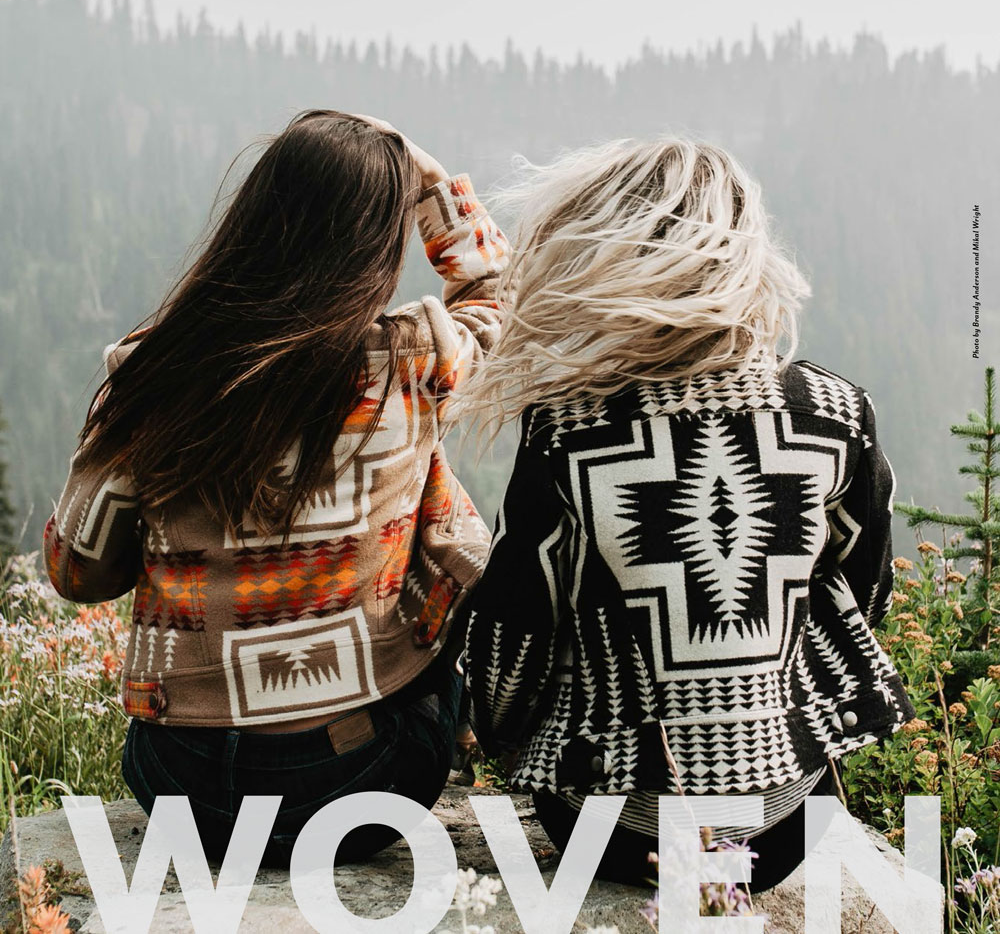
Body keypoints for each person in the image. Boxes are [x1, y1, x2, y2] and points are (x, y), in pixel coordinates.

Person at [43, 109, 508, 865]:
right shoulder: (412, 364)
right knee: (432, 486)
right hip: (368, 781)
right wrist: (429, 187)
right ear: (371, 247)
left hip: (181, 787)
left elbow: (75, 572)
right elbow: (495, 296)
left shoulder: (150, 375)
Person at [461, 137, 915, 892]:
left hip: (609, 828)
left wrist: (498, 734)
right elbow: (867, 600)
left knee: (562, 589)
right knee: (815, 577)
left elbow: (512, 644)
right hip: (784, 832)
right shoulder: (836, 411)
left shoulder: (571, 428)